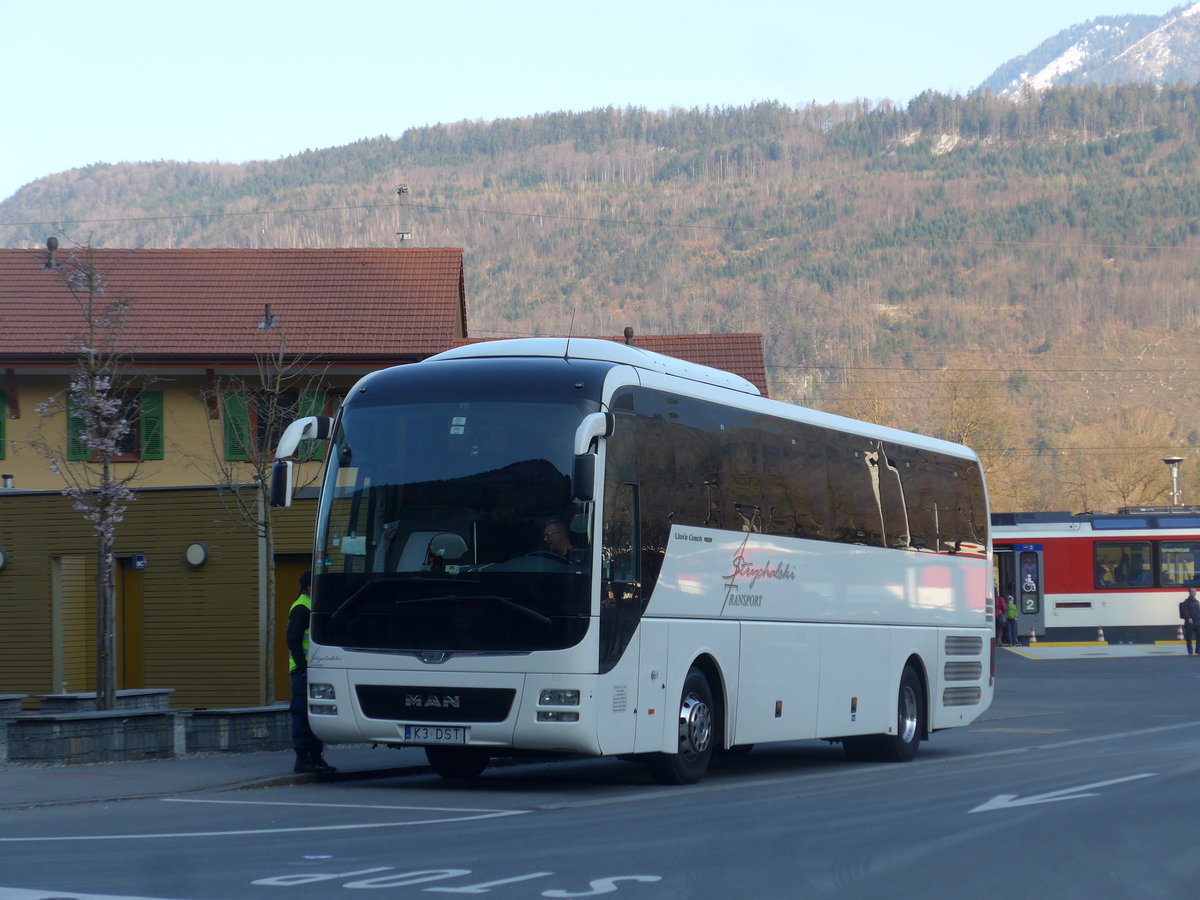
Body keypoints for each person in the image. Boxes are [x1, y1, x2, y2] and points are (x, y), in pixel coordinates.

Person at [287, 570, 336, 775]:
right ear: (308, 587)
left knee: (315, 714)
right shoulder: (301, 608)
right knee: (302, 714)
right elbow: (293, 640)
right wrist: (302, 667)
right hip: (304, 670)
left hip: (312, 668)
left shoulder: (312, 607)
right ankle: (303, 758)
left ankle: (315, 757)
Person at [1180, 587, 1200, 656]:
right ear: (1189, 592)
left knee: (1199, 637)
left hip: (1197, 622)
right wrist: (1188, 618)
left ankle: (1198, 650)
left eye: (1195, 591)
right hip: (1189, 623)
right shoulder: (1186, 602)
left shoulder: (1197, 602)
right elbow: (1185, 611)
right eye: (1192, 591)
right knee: (1189, 638)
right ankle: (1190, 652)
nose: (1194, 592)